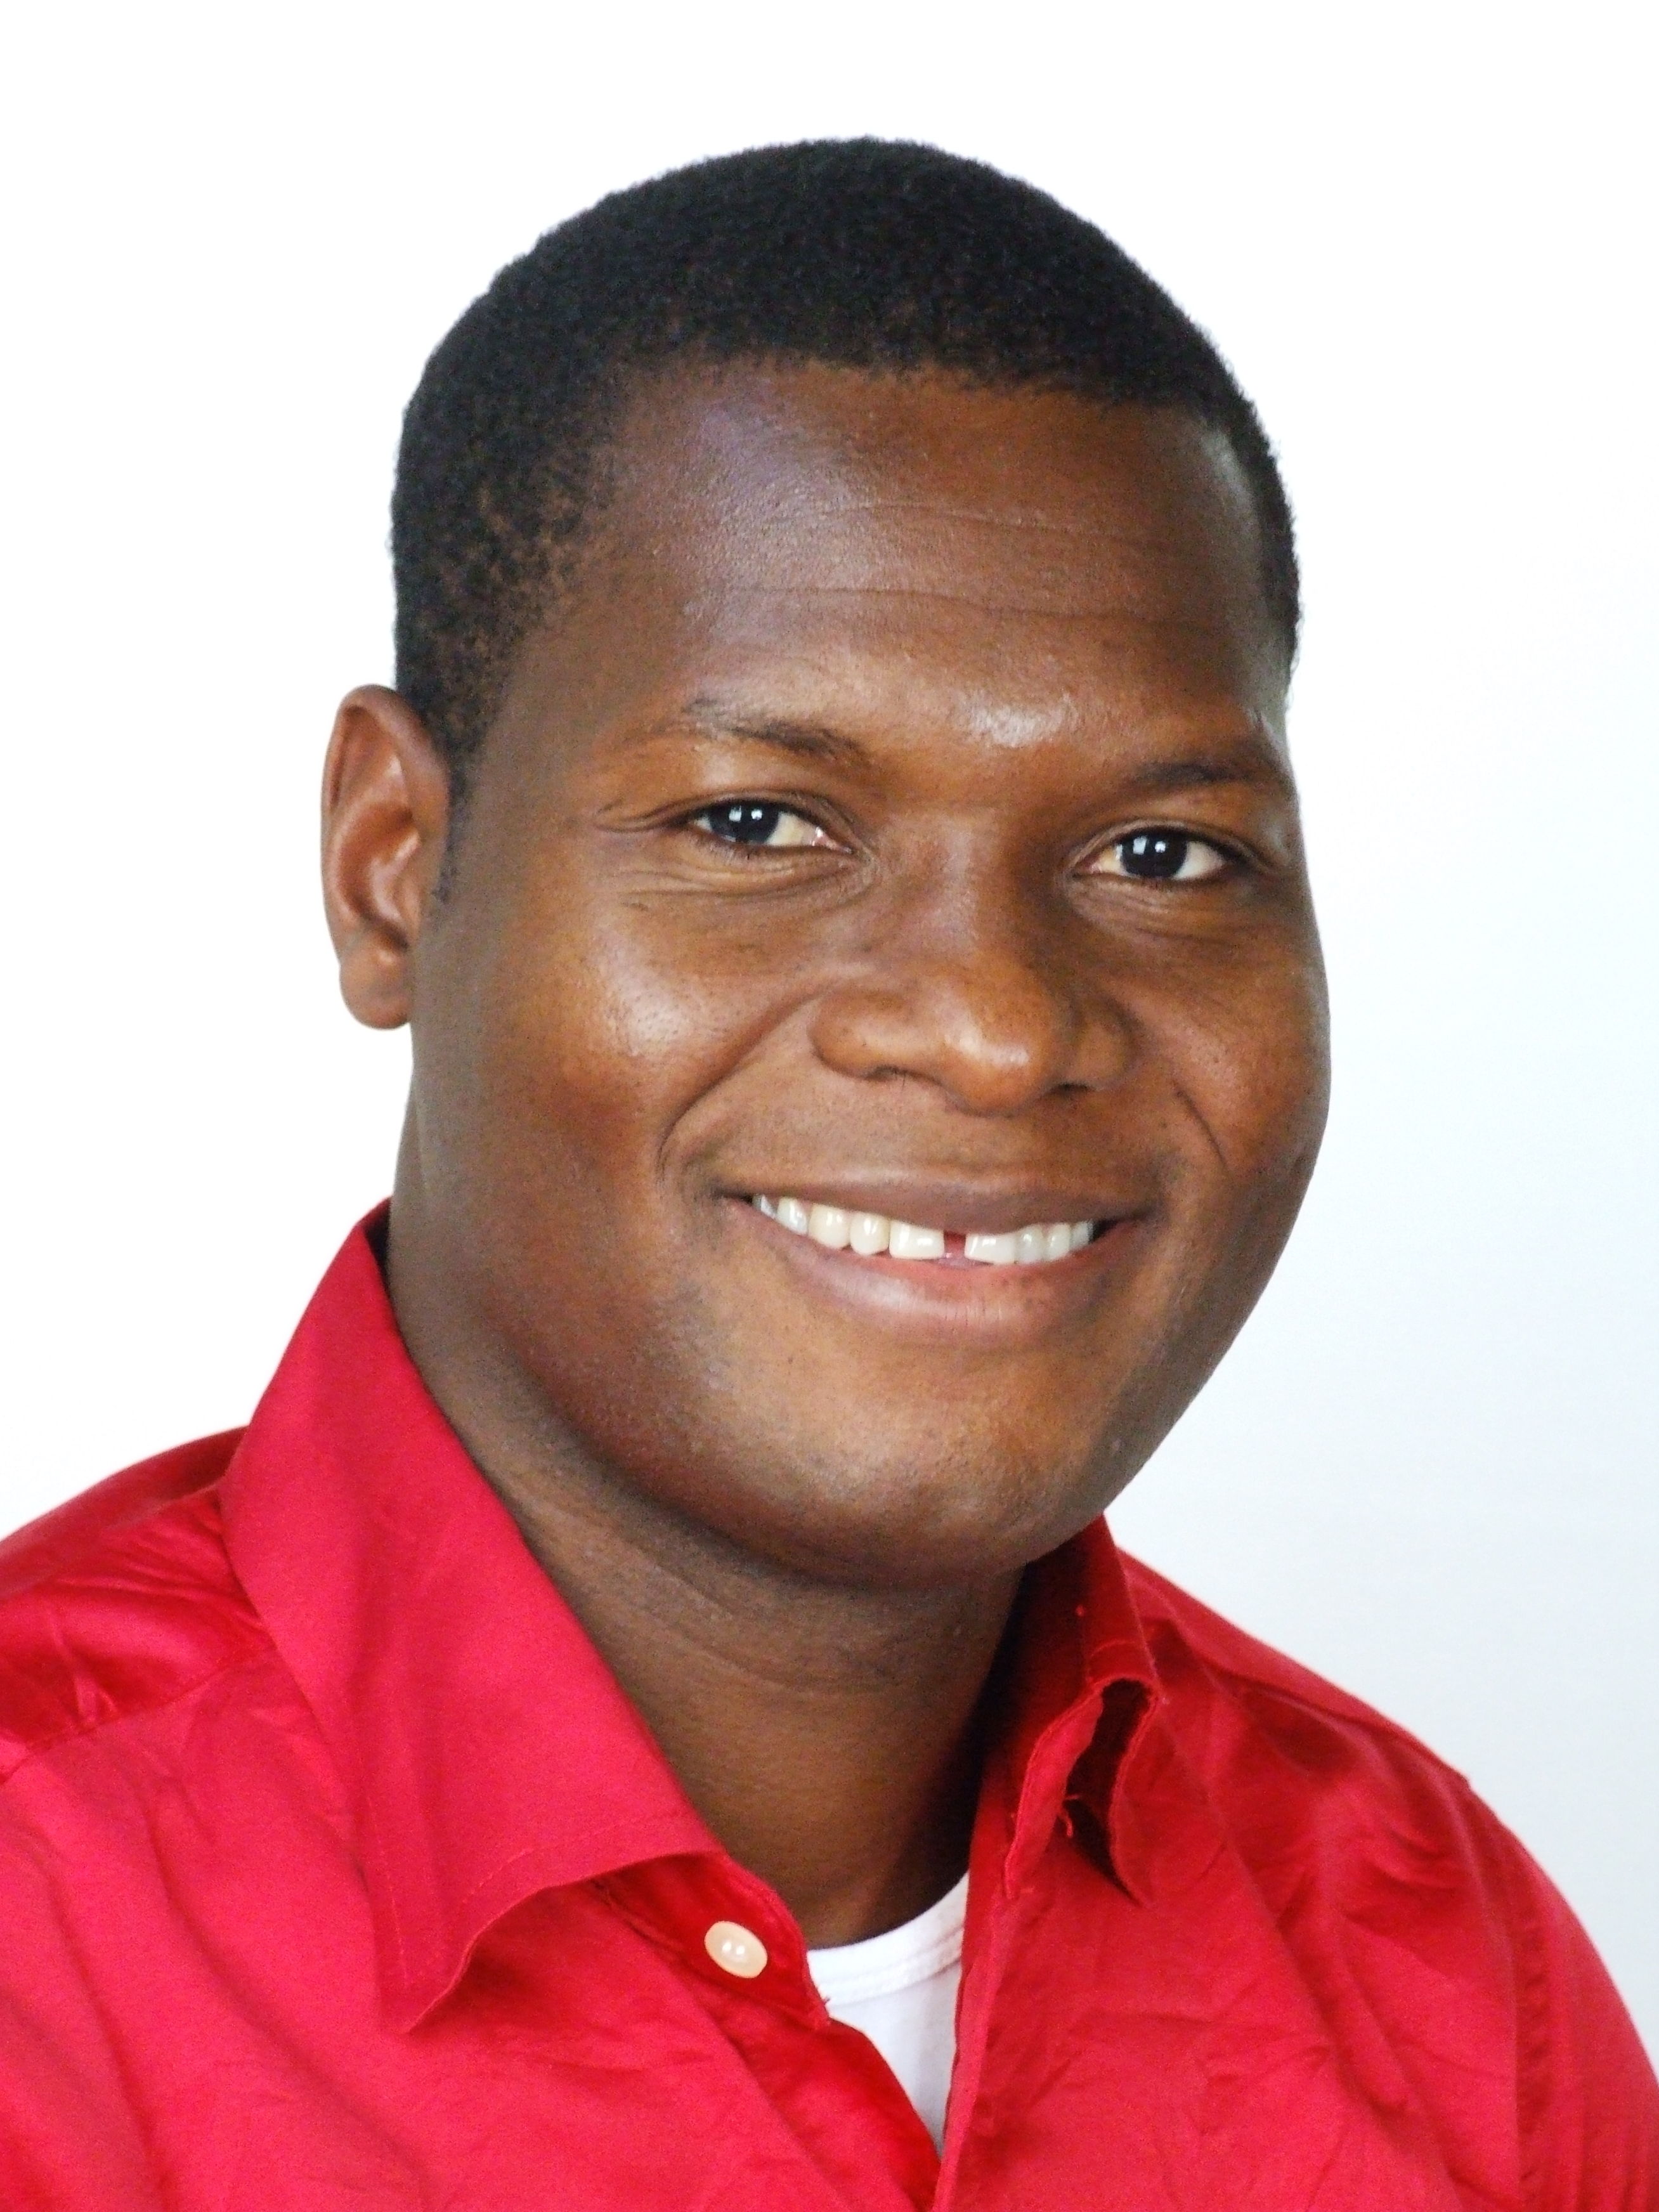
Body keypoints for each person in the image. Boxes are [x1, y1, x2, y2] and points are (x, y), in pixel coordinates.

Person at [0, 140, 1651, 2211]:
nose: (996, 1028)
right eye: (759, 825)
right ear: (393, 869)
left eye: (1162, 855)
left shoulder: (1450, 1977)